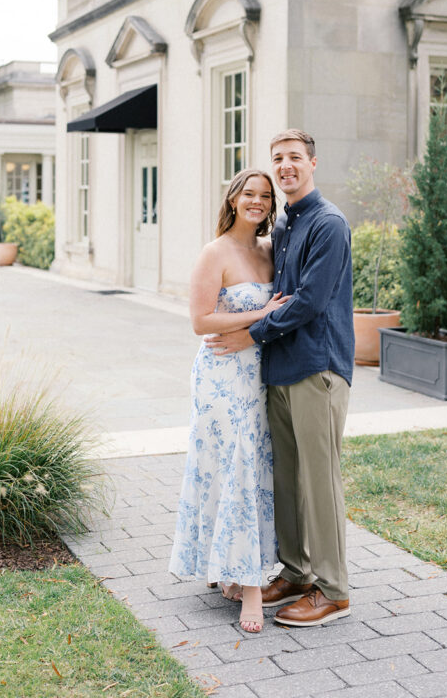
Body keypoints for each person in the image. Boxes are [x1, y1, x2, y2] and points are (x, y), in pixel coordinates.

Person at [207, 130, 355, 627]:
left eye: (294, 157)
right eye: (277, 159)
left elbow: (310, 302)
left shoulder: (328, 223)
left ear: (313, 161)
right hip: (280, 369)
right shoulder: (287, 223)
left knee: (320, 482)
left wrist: (252, 334)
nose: (286, 166)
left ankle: (333, 590)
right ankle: (296, 572)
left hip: (319, 369)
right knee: (289, 483)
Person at [169, 168, 291, 633]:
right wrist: (262, 315)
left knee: (253, 470)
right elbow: (200, 321)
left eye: (266, 195)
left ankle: (231, 569)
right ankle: (252, 590)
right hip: (221, 377)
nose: (258, 201)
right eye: (250, 194)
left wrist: (257, 326)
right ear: (234, 199)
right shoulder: (214, 251)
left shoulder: (268, 251)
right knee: (236, 467)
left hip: (260, 374)